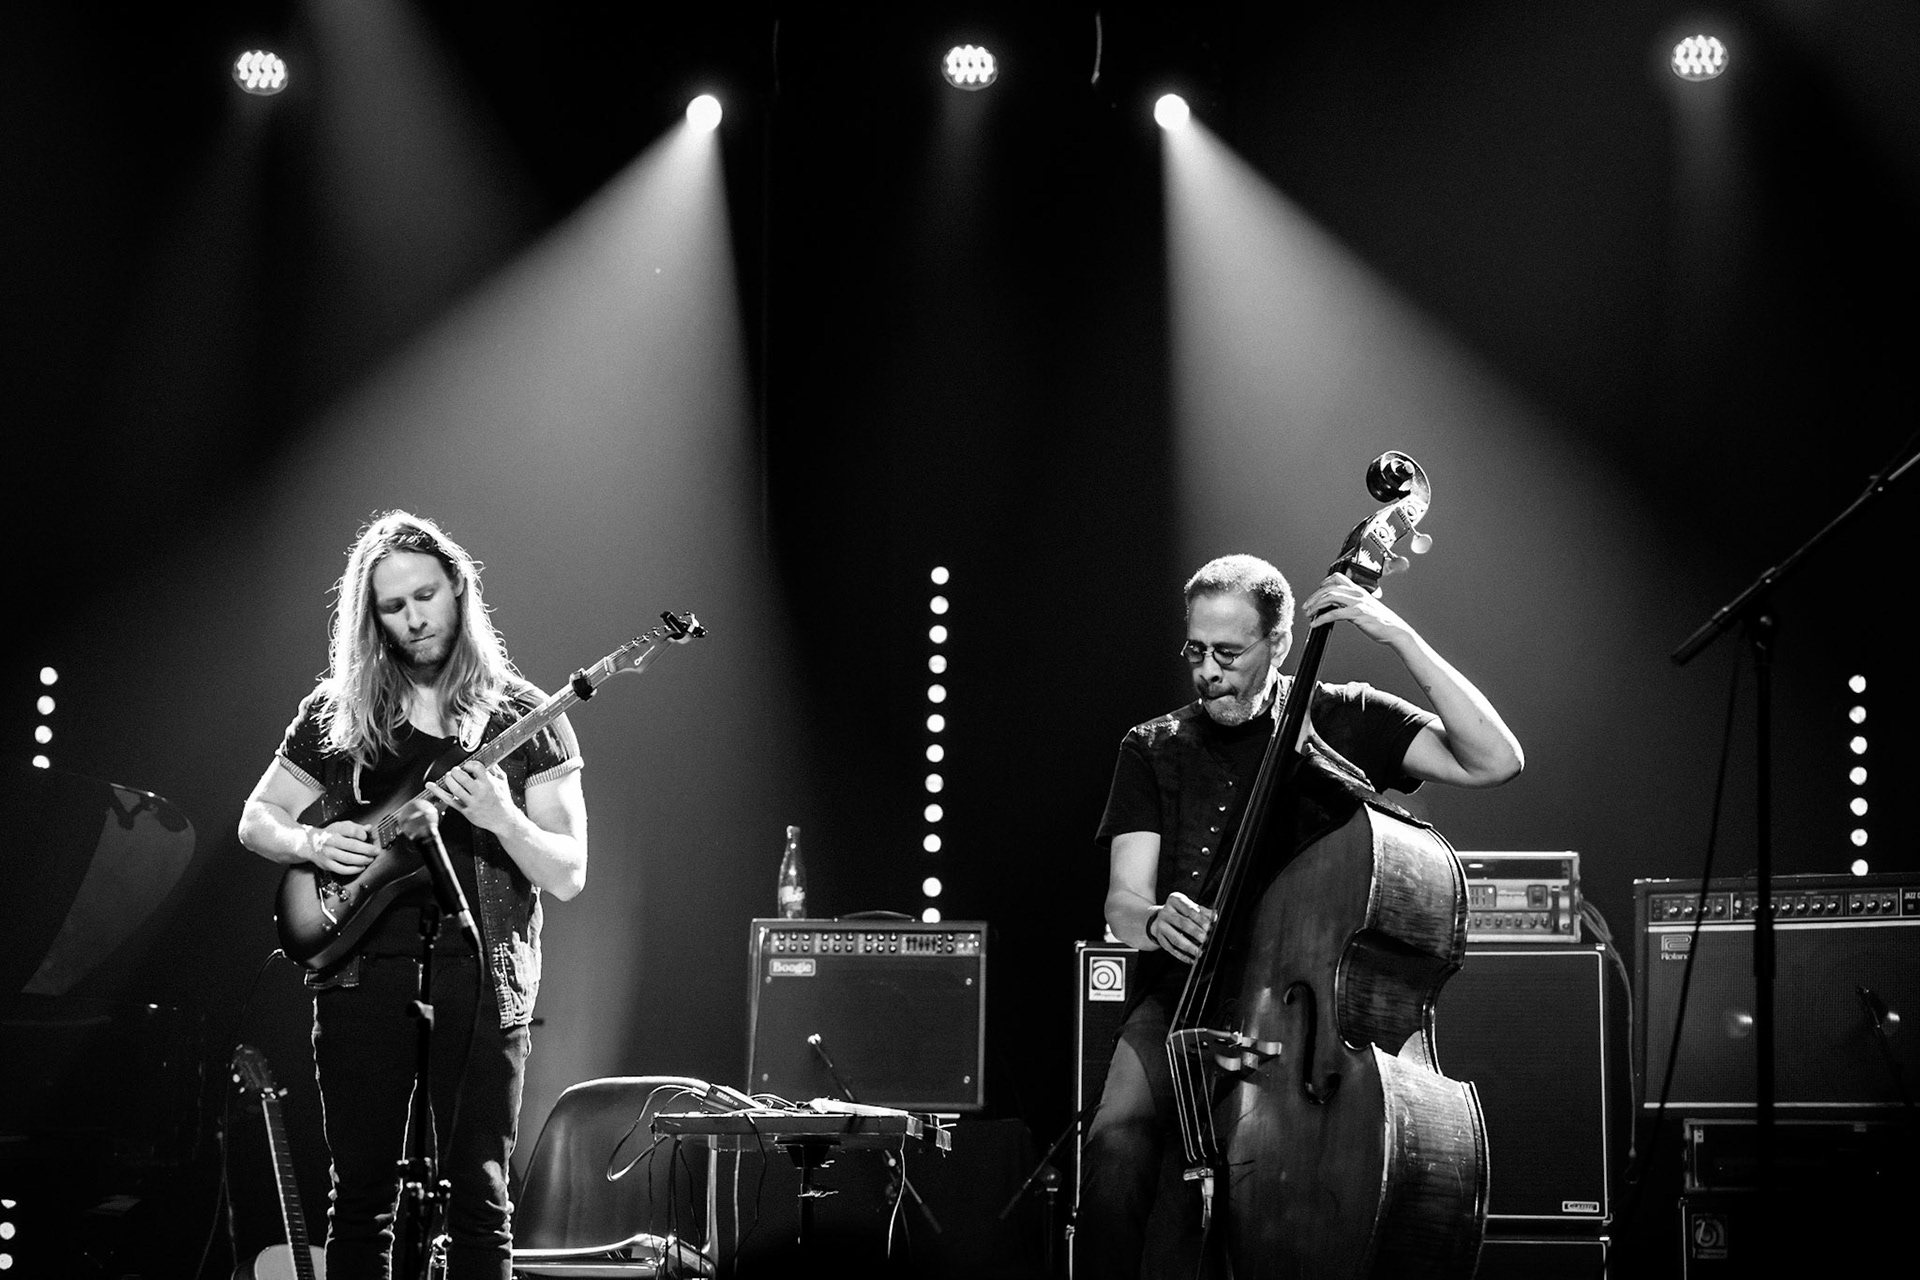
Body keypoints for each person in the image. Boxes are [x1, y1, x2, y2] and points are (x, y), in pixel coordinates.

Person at [1076, 553, 1522, 1280]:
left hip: (1307, 1018)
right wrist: (1156, 920)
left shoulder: (1345, 717)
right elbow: (1123, 902)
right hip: (1184, 998)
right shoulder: (1152, 747)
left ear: (1278, 644)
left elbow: (1494, 760)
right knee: (1115, 1142)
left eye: (1228, 652)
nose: (1207, 672)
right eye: (1196, 651)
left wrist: (1399, 637)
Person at [239, 511, 588, 1280]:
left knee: (481, 1203)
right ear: (372, 619)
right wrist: (312, 842)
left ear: (459, 589)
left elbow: (567, 872)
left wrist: (501, 817)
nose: (414, 618)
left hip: (482, 975)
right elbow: (255, 818)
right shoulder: (337, 712)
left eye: (426, 596)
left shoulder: (525, 716)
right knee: (359, 1200)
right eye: (393, 608)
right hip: (359, 972)